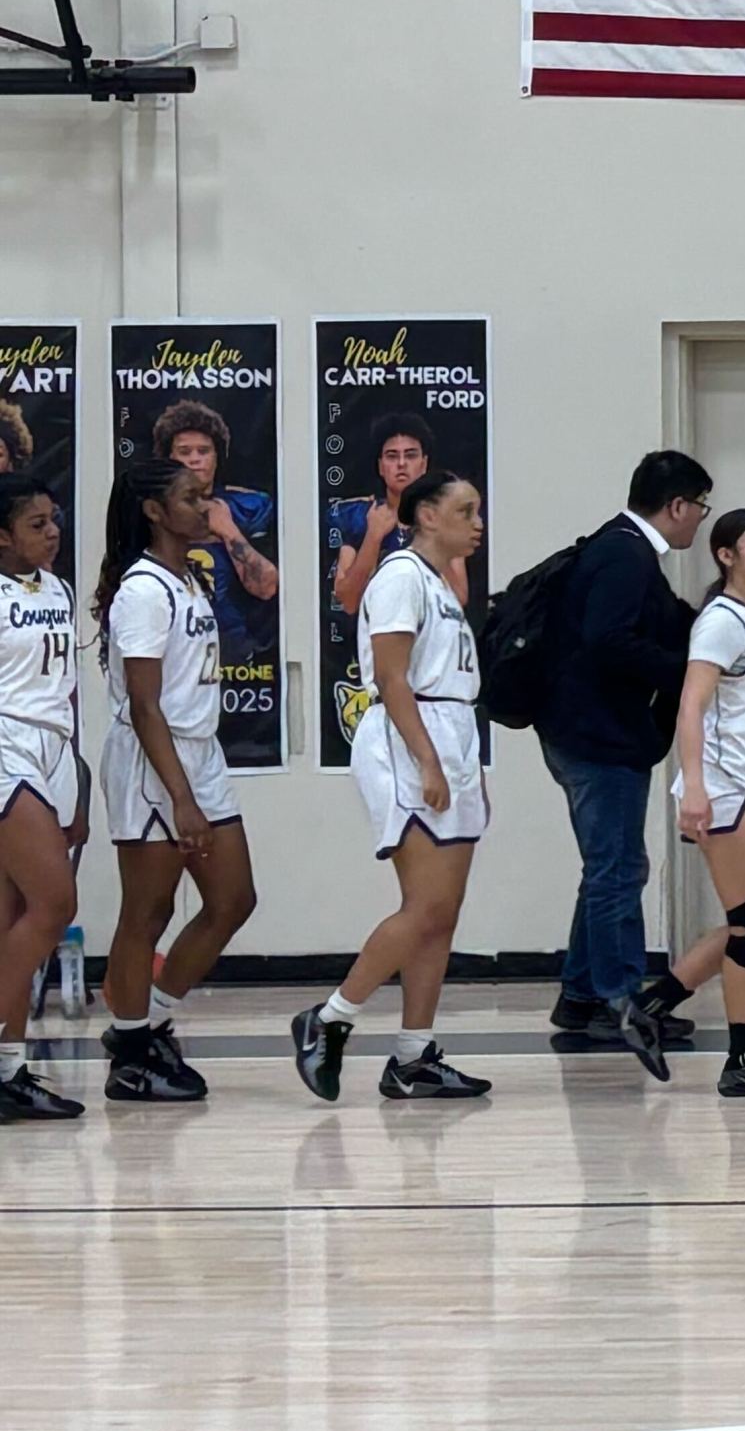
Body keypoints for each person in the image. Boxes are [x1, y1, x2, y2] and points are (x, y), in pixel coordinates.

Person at [294, 466, 492, 1103]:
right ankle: (328, 1020)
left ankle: (412, 1056)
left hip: (450, 734)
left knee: (443, 915)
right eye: (465, 510)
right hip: (411, 739)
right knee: (426, 907)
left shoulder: (438, 585)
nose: (477, 522)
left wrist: (456, 760)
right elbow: (392, 677)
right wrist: (429, 760)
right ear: (426, 515)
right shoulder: (402, 576)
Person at [622, 510, 745, 1097]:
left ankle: (651, 1008)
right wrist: (695, 786)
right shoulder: (721, 623)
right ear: (726, 555)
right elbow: (692, 706)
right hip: (723, 788)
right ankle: (744, 1057)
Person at [535, 449, 712, 1046]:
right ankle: (620, 1000)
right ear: (678, 505)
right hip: (598, 735)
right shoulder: (624, 555)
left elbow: (651, 622)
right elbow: (609, 641)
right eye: (699, 509)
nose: (699, 522)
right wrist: (685, 672)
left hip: (584, 730)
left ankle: (581, 996)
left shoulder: (620, 547)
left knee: (610, 866)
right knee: (618, 868)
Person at [92, 459, 256, 1104]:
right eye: (192, 498)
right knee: (148, 910)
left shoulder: (187, 578)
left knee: (233, 900)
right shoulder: (142, 589)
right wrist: (181, 798)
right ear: (155, 511)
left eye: (208, 494)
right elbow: (143, 704)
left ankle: (148, 1021)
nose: (205, 507)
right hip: (152, 760)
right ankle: (131, 1054)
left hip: (198, 751)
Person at [0, 473, 87, 1121]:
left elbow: (69, 691)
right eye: (36, 524)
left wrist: (77, 778)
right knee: (55, 904)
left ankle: (10, 1068)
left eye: (53, 520)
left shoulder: (56, 587)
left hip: (54, 749)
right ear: (3, 536)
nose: (52, 531)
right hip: (7, 746)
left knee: (12, 919)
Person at [149, 399, 277, 668]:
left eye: (203, 451)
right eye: (184, 451)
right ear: (168, 459)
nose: (194, 459)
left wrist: (227, 529)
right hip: (170, 653)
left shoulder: (248, 507)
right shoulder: (150, 512)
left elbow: (266, 587)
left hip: (237, 658)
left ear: (217, 457)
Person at [327, 413, 440, 623]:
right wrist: (373, 536)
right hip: (375, 642)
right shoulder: (359, 516)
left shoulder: (444, 517)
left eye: (411, 455)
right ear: (381, 466)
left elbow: (458, 597)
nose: (401, 464)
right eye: (392, 456)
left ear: (424, 464)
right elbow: (348, 601)